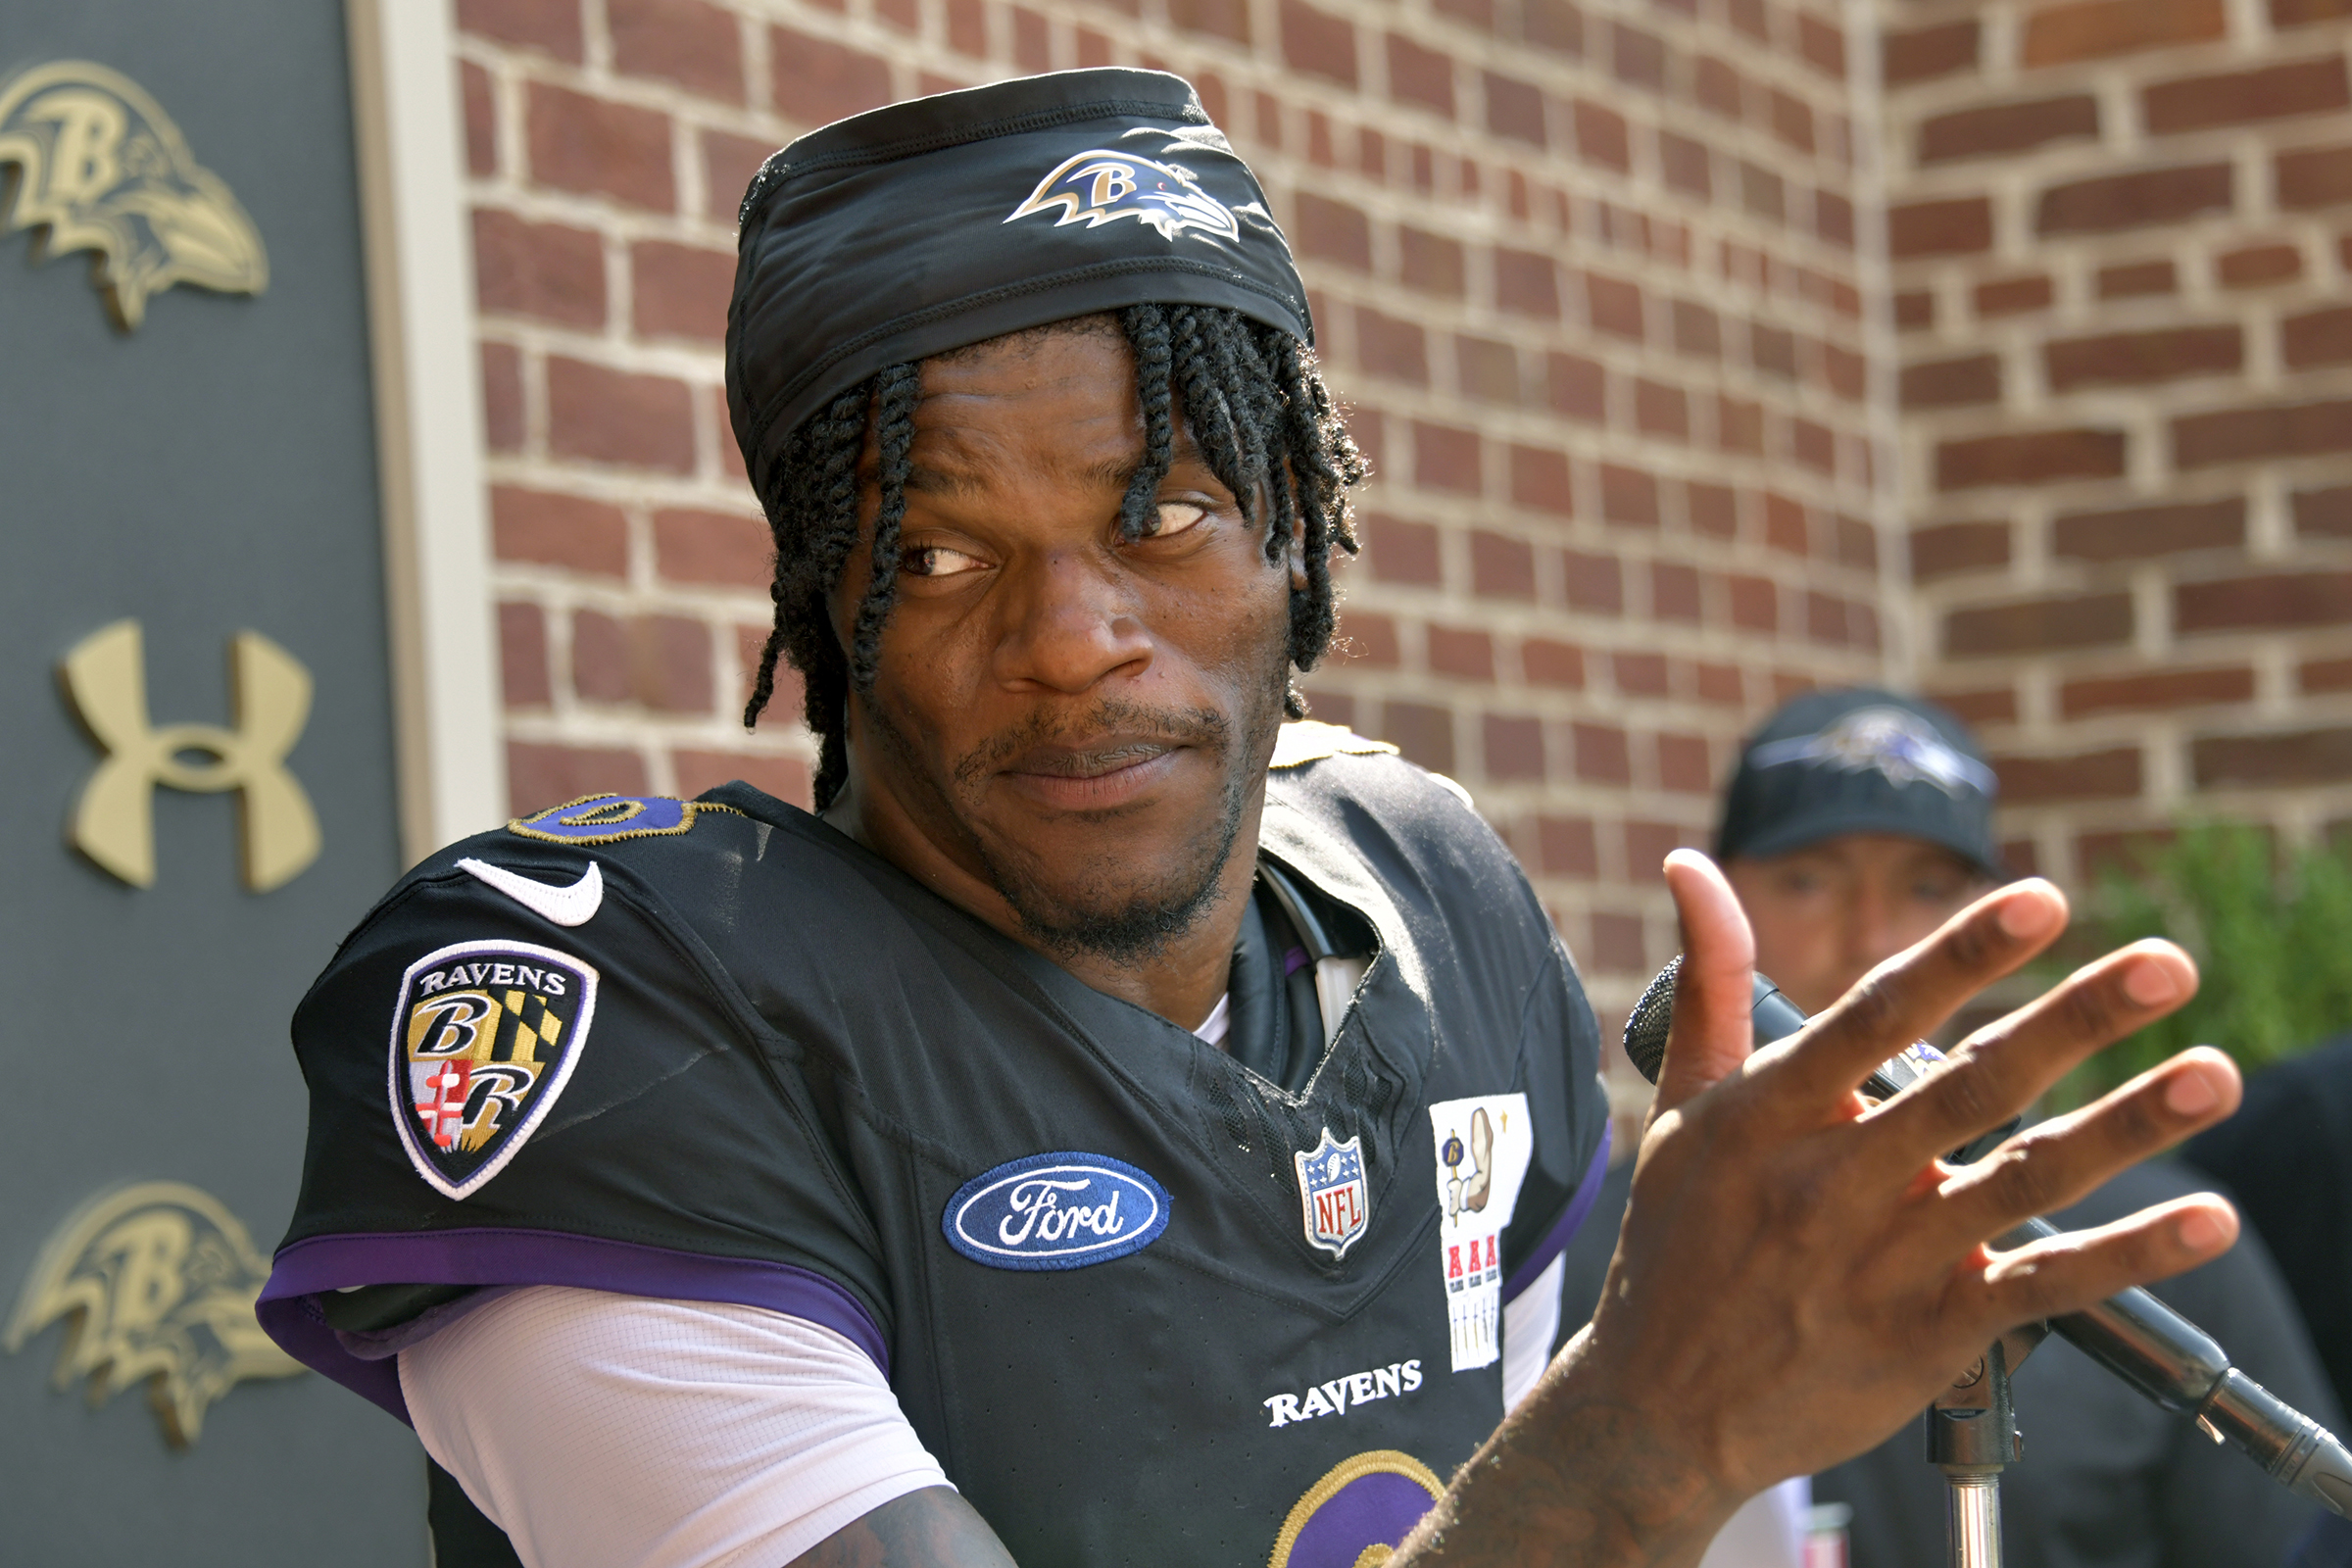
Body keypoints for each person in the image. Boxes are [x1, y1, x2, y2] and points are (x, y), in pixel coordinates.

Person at [257, 73, 2251, 1568]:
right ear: (821, 616)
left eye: (1166, 512)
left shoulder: (1427, 889)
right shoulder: (625, 1007)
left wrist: (1708, 1428)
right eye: (938, 551)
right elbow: (1636, 1470)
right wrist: (1649, 1437)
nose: (1075, 640)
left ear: (1302, 541)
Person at [1581, 686, 2337, 1568]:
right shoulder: (1597, 1255)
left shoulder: (2152, 1250)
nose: (1869, 936)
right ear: (1715, 905)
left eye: (1925, 887)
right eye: (1809, 878)